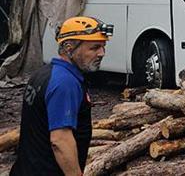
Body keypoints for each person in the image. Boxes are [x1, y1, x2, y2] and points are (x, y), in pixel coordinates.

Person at [11, 16, 112, 176]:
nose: (102, 53)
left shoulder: (43, 74)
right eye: (94, 48)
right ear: (69, 48)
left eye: (103, 47)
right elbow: (60, 140)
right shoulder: (65, 83)